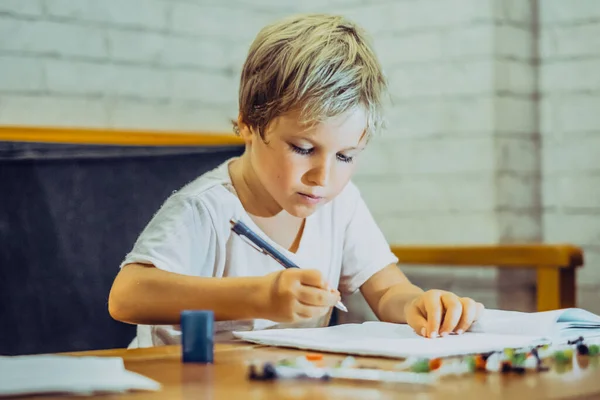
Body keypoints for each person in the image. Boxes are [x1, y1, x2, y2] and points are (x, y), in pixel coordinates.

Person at [108, 13, 484, 347]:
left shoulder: (342, 203)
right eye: (303, 149)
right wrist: (260, 296)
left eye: (345, 156)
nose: (323, 177)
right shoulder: (205, 207)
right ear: (248, 124)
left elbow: (387, 291)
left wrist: (420, 305)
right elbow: (126, 296)